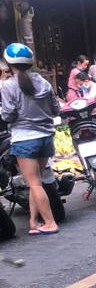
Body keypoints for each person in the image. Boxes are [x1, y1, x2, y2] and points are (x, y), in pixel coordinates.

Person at [0, 44, 60, 234]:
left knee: (34, 183)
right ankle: (34, 222)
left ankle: (50, 223)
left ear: (9, 63)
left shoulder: (8, 85)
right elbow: (56, 109)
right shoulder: (43, 82)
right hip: (46, 137)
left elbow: (8, 115)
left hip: (25, 139)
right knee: (36, 182)